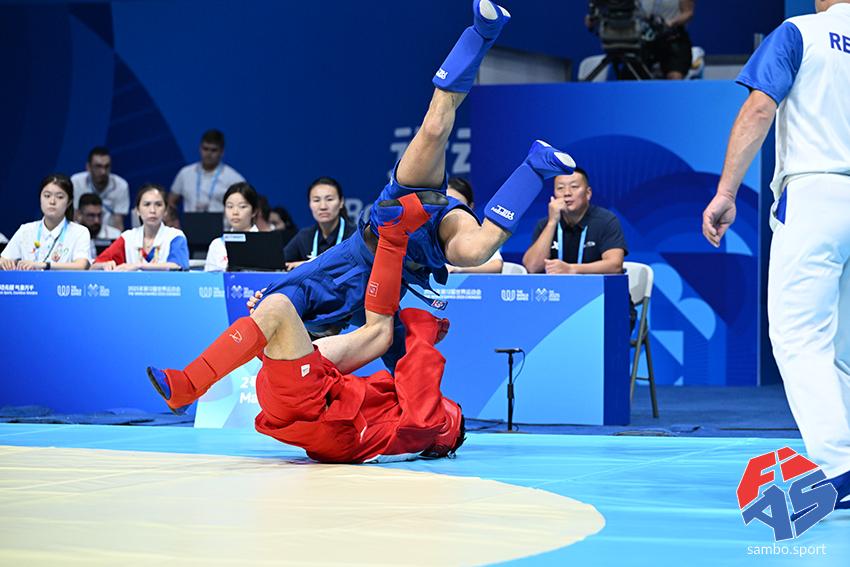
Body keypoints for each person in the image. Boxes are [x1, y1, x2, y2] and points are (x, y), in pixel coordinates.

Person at [255, 0, 575, 369]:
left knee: (435, 127)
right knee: (478, 249)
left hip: (395, 211)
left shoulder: (304, 295)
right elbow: (393, 346)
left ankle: (481, 31)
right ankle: (536, 165)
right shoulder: (357, 327)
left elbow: (288, 286)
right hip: (423, 250)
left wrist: (264, 300)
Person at [148, 193, 465, 463]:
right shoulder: (405, 422)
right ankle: (195, 381)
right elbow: (374, 357)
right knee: (279, 311)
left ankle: (393, 235)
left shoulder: (428, 424)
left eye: (454, 411)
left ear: (448, 430)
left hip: (317, 410)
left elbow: (408, 355)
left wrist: (423, 329)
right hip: (306, 401)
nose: (448, 402)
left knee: (366, 330)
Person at [701, 0, 850, 509]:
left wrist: (726, 192)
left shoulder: (799, 32)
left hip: (815, 192)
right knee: (843, 347)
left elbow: (760, 107)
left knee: (799, 335)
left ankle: (838, 465)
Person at [523, 168, 627, 275]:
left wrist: (571, 269)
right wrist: (552, 222)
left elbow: (615, 265)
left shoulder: (606, 221)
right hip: (556, 286)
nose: (567, 193)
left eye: (574, 186)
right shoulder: (545, 224)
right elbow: (532, 267)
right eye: (560, 188)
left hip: (594, 285)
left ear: (588, 193)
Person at [0, 174, 91, 271]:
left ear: (69, 202)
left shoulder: (79, 232)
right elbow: (3, 259)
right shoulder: (26, 230)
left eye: (60, 197)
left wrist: (44, 265)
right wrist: (4, 262)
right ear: (40, 198)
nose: (52, 201)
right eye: (47, 196)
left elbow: (81, 265)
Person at [92, 184, 189, 271]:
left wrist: (139, 266)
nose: (152, 210)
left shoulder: (175, 236)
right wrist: (104, 265)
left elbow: (177, 266)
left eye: (158, 205)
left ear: (166, 211)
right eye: (147, 204)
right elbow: (94, 266)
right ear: (137, 210)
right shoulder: (128, 237)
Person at [283, 177, 356, 270]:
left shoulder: (355, 235)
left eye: (329, 199)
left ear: (341, 202)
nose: (323, 206)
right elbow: (281, 263)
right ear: (309, 204)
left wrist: (308, 265)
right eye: (316, 200)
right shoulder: (305, 236)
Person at [168, 129, 245, 213]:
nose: (208, 154)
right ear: (200, 148)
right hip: (191, 221)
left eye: (213, 150)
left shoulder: (234, 179)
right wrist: (173, 218)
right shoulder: (185, 174)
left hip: (222, 221)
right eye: (205, 149)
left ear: (222, 152)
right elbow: (171, 201)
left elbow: (245, 207)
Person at [445, 177, 503, 273]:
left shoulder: (478, 232)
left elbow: (496, 265)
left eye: (457, 204)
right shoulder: (426, 230)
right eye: (446, 202)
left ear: (470, 207)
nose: (450, 208)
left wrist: (458, 269)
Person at [204, 182, 260, 272]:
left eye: (242, 206)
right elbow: (209, 279)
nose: (235, 212)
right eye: (230, 206)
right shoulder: (217, 245)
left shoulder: (265, 244)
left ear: (254, 211)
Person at [71, 146, 130, 231]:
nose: (103, 172)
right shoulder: (76, 182)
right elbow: (75, 216)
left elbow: (118, 223)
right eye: (98, 166)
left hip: (108, 234)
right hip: (82, 232)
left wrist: (116, 238)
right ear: (88, 167)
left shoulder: (121, 186)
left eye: (106, 166)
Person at [639, 0, 696, 80]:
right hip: (645, 39)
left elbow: (688, 13)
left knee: (675, 77)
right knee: (632, 74)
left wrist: (670, 23)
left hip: (673, 39)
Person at [76, 193, 122, 258]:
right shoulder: (70, 234)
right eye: (91, 215)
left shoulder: (115, 235)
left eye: (99, 215)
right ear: (79, 214)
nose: (96, 221)